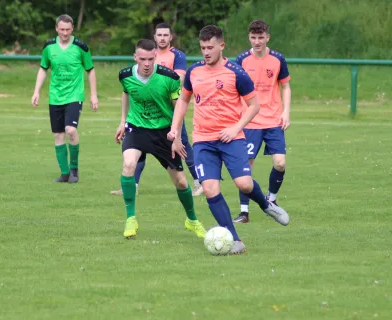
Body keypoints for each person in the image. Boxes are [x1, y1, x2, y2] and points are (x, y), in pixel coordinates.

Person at [168, 25, 289, 255]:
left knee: (243, 183)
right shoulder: (194, 72)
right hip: (204, 141)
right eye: (202, 47)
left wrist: (235, 128)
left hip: (232, 139)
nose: (206, 52)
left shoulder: (236, 72)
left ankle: (266, 205)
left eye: (210, 47)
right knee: (210, 188)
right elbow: (183, 101)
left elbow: (255, 106)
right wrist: (175, 130)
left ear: (221, 46)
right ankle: (234, 240)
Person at [115, 39, 207, 239]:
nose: (146, 64)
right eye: (142, 59)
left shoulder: (170, 77)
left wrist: (176, 137)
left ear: (155, 56)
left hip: (164, 132)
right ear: (135, 57)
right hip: (137, 128)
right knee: (128, 165)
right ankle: (131, 218)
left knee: (181, 182)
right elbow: (126, 93)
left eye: (150, 59)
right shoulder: (125, 75)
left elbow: (179, 109)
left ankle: (191, 220)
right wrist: (123, 121)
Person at [110, 23, 203, 197]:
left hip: (169, 116)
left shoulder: (176, 56)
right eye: (159, 35)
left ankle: (199, 181)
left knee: (182, 146)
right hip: (141, 121)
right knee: (135, 155)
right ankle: (132, 186)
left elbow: (180, 79)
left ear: (170, 37)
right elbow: (127, 91)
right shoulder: (129, 73)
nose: (162, 38)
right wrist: (123, 121)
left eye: (165, 35)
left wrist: (158, 87)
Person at [232, 20, 291, 223]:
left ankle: (271, 201)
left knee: (280, 163)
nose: (257, 41)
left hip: (274, 119)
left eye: (261, 37)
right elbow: (233, 89)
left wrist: (286, 113)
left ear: (268, 37)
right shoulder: (241, 60)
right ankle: (244, 212)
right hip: (250, 122)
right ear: (249, 37)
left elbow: (286, 87)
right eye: (253, 37)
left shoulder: (278, 59)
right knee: (246, 167)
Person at [31, 14, 98, 183]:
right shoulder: (49, 47)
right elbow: (43, 69)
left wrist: (94, 95)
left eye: (68, 30)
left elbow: (90, 70)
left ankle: (74, 169)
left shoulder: (81, 47)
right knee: (58, 135)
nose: (65, 33)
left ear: (72, 29)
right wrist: (36, 91)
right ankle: (64, 173)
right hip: (55, 97)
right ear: (56, 29)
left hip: (74, 95)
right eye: (62, 29)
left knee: (71, 130)